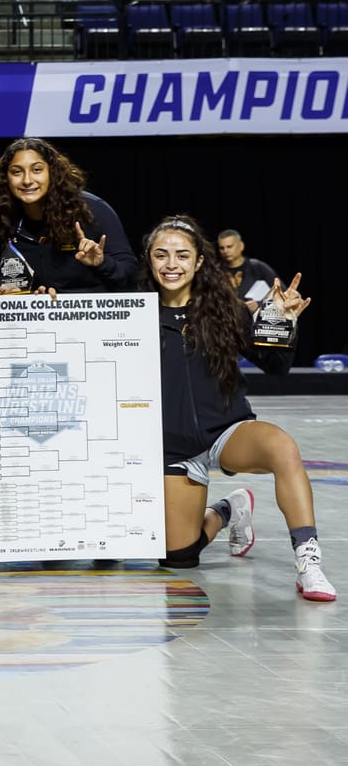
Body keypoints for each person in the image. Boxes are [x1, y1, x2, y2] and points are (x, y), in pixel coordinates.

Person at [142, 215, 334, 602]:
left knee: (281, 447)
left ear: (198, 262)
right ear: (149, 260)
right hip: (171, 449)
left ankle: (308, 561)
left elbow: (275, 368)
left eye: (182, 255)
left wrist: (281, 323)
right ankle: (230, 509)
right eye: (161, 255)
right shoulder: (132, 313)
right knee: (179, 556)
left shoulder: (226, 310)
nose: (171, 264)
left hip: (226, 432)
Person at [0, 138, 137, 294]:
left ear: (52, 172)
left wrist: (102, 263)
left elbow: (131, 274)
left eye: (37, 170)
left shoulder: (91, 210)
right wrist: (24, 296)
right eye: (17, 172)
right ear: (6, 178)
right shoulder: (2, 219)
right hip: (37, 316)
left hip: (96, 314)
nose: (27, 180)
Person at [216, 229, 280, 314]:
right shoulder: (216, 271)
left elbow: (281, 293)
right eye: (222, 248)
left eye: (229, 246)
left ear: (241, 246)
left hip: (254, 323)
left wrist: (260, 305)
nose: (225, 251)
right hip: (225, 322)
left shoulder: (258, 268)